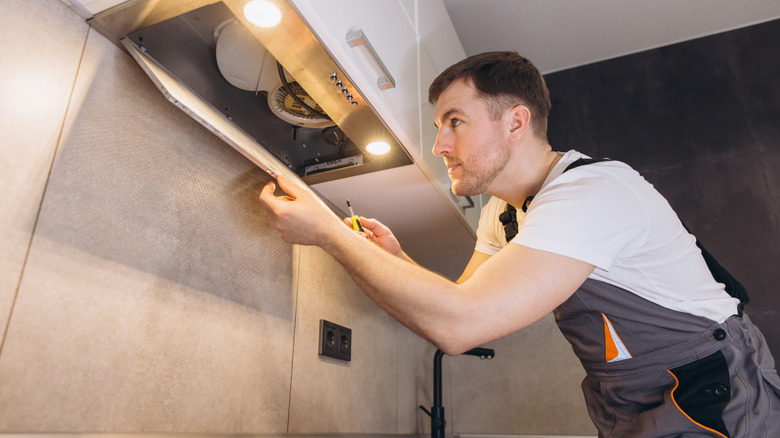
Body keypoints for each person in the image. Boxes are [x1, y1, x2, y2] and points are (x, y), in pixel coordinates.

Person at [258, 51, 779, 437]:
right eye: (440, 126)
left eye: (454, 122)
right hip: (628, 397)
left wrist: (328, 235)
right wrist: (391, 257)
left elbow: (459, 325)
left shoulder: (593, 191)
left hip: (709, 388)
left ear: (515, 122)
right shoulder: (503, 213)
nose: (439, 144)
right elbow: (460, 306)